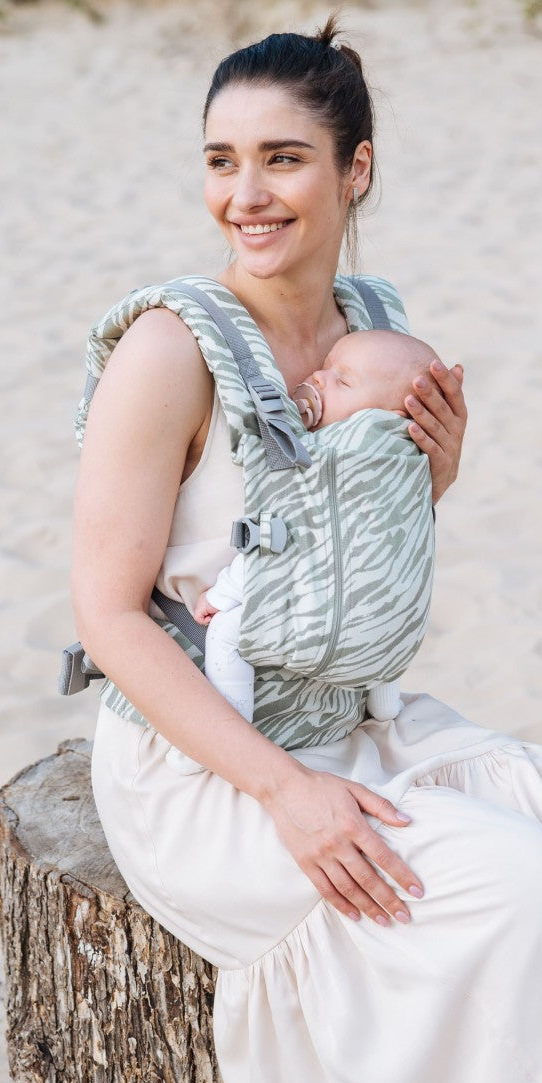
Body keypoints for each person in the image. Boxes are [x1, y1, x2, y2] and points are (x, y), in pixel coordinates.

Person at [72, 18, 542, 1083]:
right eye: (221, 160)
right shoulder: (168, 350)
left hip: (351, 718)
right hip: (210, 770)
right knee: (522, 888)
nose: (245, 194)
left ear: (353, 169)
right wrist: (286, 792)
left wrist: (435, 475)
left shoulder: (374, 323)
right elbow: (109, 618)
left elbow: (362, 553)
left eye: (282, 157)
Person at [171, 327, 441, 766]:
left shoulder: (326, 461)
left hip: (323, 622)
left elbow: (284, 546)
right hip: (387, 632)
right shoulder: (407, 464)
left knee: (226, 633)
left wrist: (220, 596)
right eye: (326, 366)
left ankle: (230, 732)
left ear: (393, 412)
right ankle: (386, 706)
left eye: (343, 381)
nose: (318, 379)